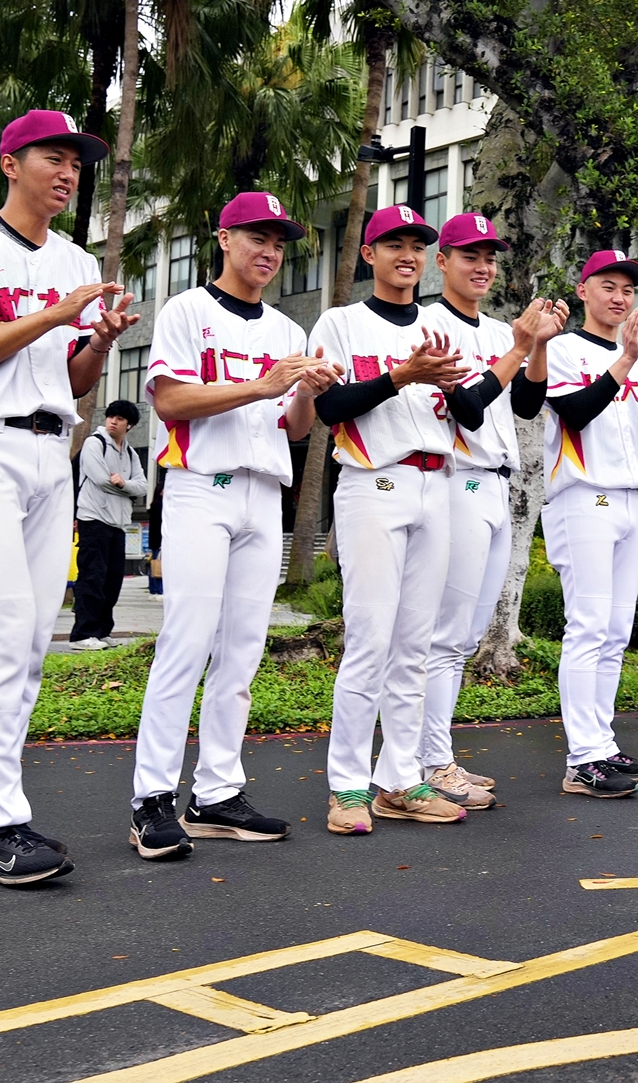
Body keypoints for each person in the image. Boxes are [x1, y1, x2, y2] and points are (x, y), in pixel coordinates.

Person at [0, 108, 136, 885]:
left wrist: (99, 340)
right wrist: (55, 311)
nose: (69, 171)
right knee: (2, 630)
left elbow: (70, 381)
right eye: (53, 155)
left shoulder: (72, 257)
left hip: (51, 450)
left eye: (77, 161)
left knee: (30, 642)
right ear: (11, 163)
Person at [127, 191, 335, 861]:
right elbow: (170, 399)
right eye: (256, 238)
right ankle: (150, 800)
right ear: (223, 239)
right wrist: (264, 385)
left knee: (243, 650)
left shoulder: (285, 329)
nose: (270, 252)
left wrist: (306, 391)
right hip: (200, 487)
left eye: (278, 242)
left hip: (262, 492)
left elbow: (297, 429)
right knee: (186, 643)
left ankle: (216, 792)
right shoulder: (187, 310)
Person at [310, 205, 471, 833]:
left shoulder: (438, 324)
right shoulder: (341, 322)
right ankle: (347, 786)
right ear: (368, 255)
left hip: (437, 483)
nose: (407, 254)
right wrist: (403, 375)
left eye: (416, 244)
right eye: (393, 243)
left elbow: (475, 416)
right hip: (374, 482)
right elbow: (329, 407)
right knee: (371, 640)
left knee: (415, 645)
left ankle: (398, 779)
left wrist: (454, 386)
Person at [417, 213, 566, 810]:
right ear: (443, 261)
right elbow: (470, 410)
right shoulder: (430, 324)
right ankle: (429, 760)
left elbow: (528, 401)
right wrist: (521, 344)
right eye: (469, 255)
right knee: (445, 635)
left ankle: (438, 753)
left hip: (497, 485)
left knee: (468, 632)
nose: (482, 266)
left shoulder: (500, 328)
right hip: (457, 478)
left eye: (490, 257)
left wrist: (538, 348)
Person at [543, 250, 638, 797]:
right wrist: (622, 364)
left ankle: (601, 744)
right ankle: (582, 759)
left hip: (630, 501)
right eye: (608, 286)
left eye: (628, 290)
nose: (621, 297)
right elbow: (574, 413)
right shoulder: (560, 349)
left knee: (614, 633)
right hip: (583, 498)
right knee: (586, 627)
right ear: (584, 291)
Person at [70, 400, 147, 648]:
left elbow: (142, 486)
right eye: (111, 416)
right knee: (92, 576)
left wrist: (124, 484)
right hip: (94, 517)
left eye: (120, 418)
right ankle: (82, 634)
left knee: (112, 579)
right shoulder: (94, 443)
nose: (113, 421)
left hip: (118, 522)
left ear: (130, 425)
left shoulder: (131, 453)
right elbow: (102, 480)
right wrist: (127, 487)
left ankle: (102, 631)